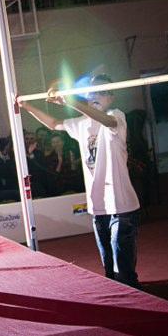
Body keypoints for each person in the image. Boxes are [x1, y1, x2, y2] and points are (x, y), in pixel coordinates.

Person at [19, 74, 141, 288]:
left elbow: (107, 121)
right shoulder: (81, 124)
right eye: (93, 92)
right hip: (98, 206)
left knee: (123, 271)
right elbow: (54, 123)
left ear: (111, 98)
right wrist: (26, 106)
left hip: (121, 205)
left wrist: (70, 102)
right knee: (109, 270)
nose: (96, 95)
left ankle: (134, 296)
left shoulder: (116, 115)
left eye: (103, 92)